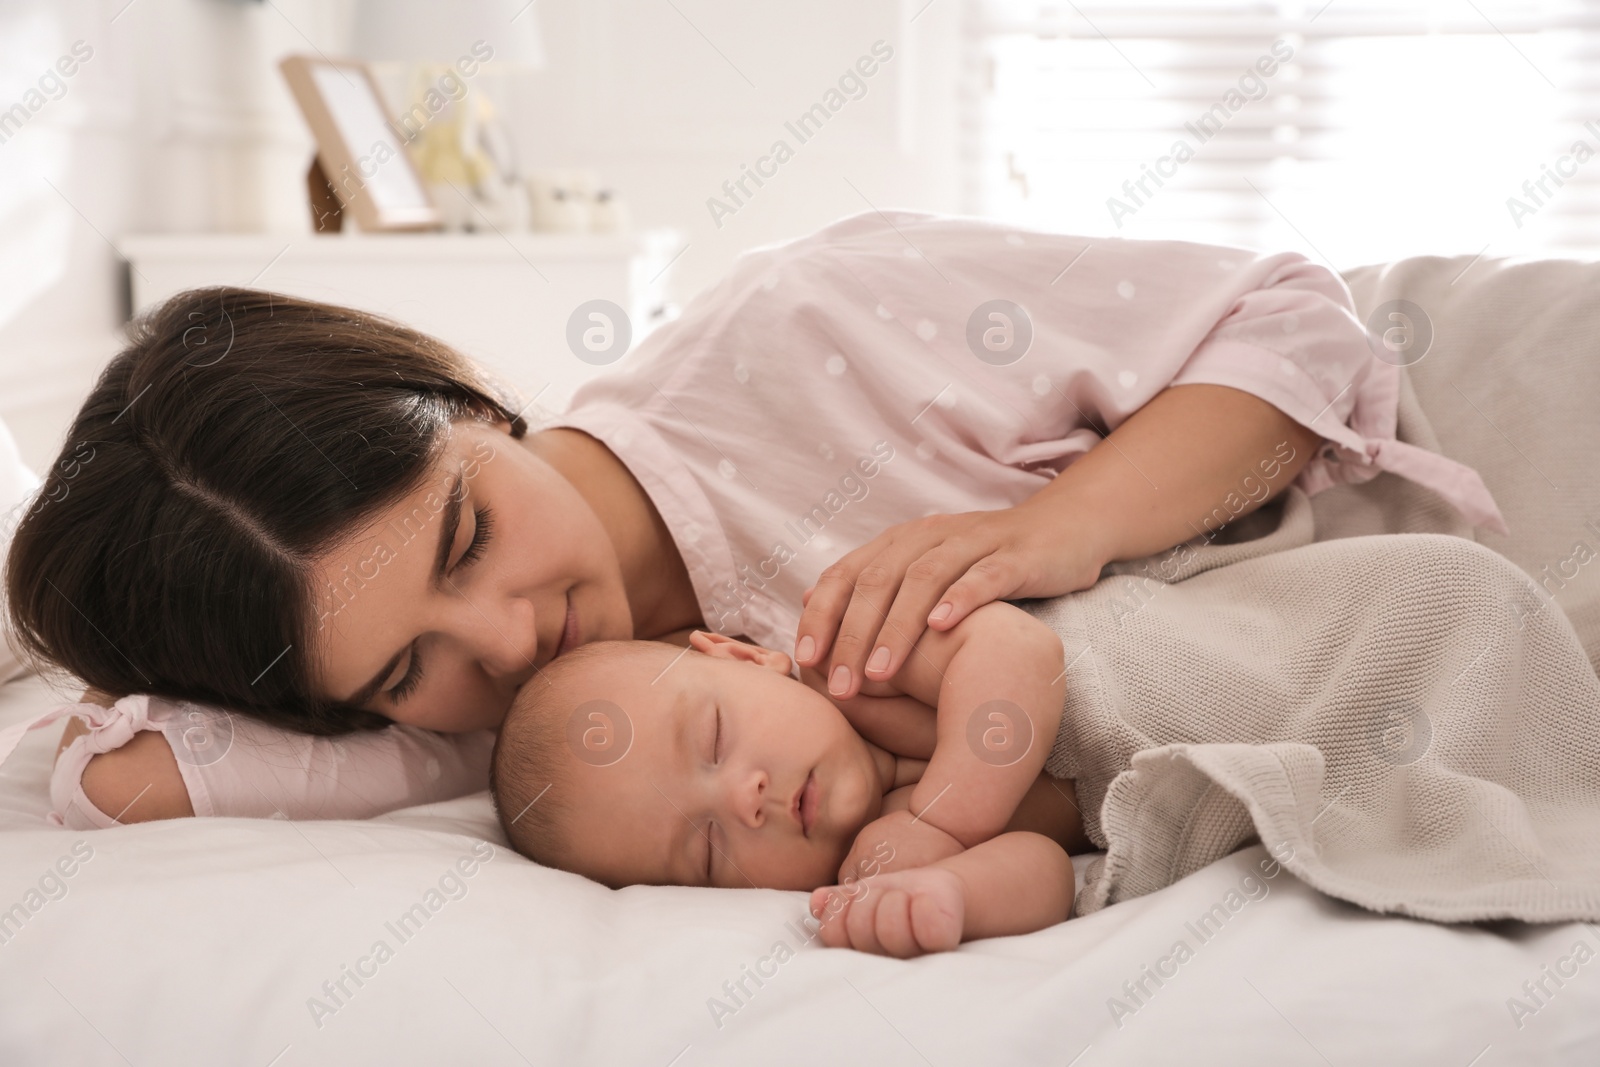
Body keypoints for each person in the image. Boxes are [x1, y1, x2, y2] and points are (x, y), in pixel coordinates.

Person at [0, 210, 1507, 827]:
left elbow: (1302, 323)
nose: (511, 637)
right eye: (405, 669)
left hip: (1488, 414)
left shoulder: (814, 320)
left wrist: (1075, 526)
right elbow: (112, 776)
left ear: (466, 398)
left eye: (465, 537)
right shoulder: (537, 732)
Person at [489, 607, 1086, 958]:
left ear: (744, 659)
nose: (740, 800)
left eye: (714, 740)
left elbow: (1020, 647)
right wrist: (949, 894)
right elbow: (1048, 872)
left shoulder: (854, 670)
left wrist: (938, 822)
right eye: (707, 849)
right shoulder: (871, 867)